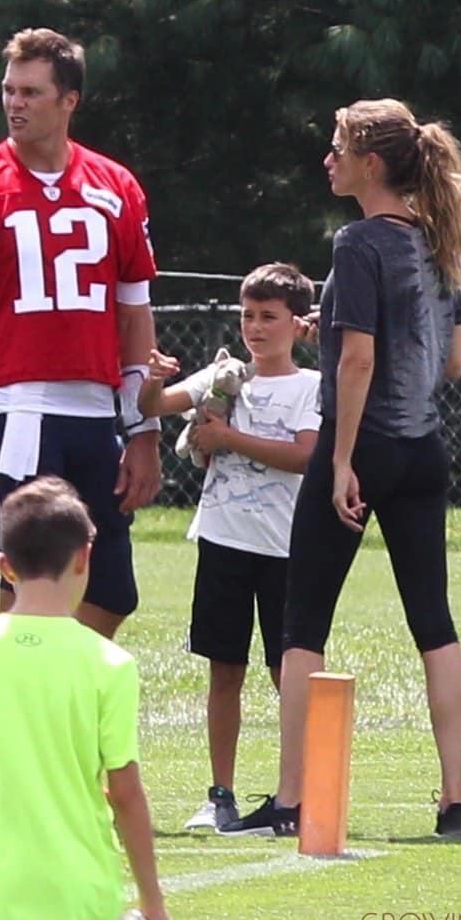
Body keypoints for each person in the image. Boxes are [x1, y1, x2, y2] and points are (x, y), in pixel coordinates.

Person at [221, 98, 461, 839]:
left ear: (370, 162)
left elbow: (361, 358)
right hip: (424, 451)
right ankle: (454, 801)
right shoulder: (439, 239)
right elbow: (450, 361)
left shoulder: (357, 241)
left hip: (362, 446)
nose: (326, 160)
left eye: (336, 149)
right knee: (434, 622)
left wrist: (338, 461)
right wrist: (327, 330)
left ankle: (293, 797)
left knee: (304, 622)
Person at [0, 27, 161, 639]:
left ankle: (58, 699)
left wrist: (145, 430)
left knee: (110, 590)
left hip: (94, 412)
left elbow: (134, 316)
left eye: (31, 91)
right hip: (14, 409)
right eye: (8, 90)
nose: (14, 103)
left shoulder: (116, 186)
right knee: (31, 583)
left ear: (69, 100)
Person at [0, 475, 174, 920]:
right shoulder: (110, 663)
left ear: (4, 566)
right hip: (83, 901)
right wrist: (152, 902)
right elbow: (126, 795)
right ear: (84, 557)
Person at [139, 262, 321, 831]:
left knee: (286, 671)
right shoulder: (222, 375)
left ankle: (303, 790)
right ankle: (221, 792)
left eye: (269, 317)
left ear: (297, 324)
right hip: (223, 541)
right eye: (248, 316)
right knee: (225, 669)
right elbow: (153, 406)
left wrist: (227, 438)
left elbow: (304, 456)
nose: (256, 328)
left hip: (284, 548)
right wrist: (152, 377)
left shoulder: (310, 387)